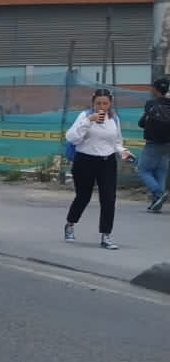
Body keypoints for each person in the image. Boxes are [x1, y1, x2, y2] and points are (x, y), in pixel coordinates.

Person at [64, 88, 135, 250]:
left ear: (110, 103)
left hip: (107, 162)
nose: (101, 107)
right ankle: (70, 224)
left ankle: (106, 235)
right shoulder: (84, 116)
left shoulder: (114, 118)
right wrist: (89, 120)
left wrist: (123, 152)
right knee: (83, 196)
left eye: (105, 103)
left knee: (109, 198)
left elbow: (117, 142)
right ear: (93, 103)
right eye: (98, 103)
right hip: (85, 160)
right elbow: (72, 138)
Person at [135, 75, 169, 213]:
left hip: (153, 142)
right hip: (168, 143)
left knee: (142, 170)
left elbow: (142, 122)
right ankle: (156, 202)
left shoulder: (151, 103)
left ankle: (158, 193)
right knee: (160, 170)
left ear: (155, 89)